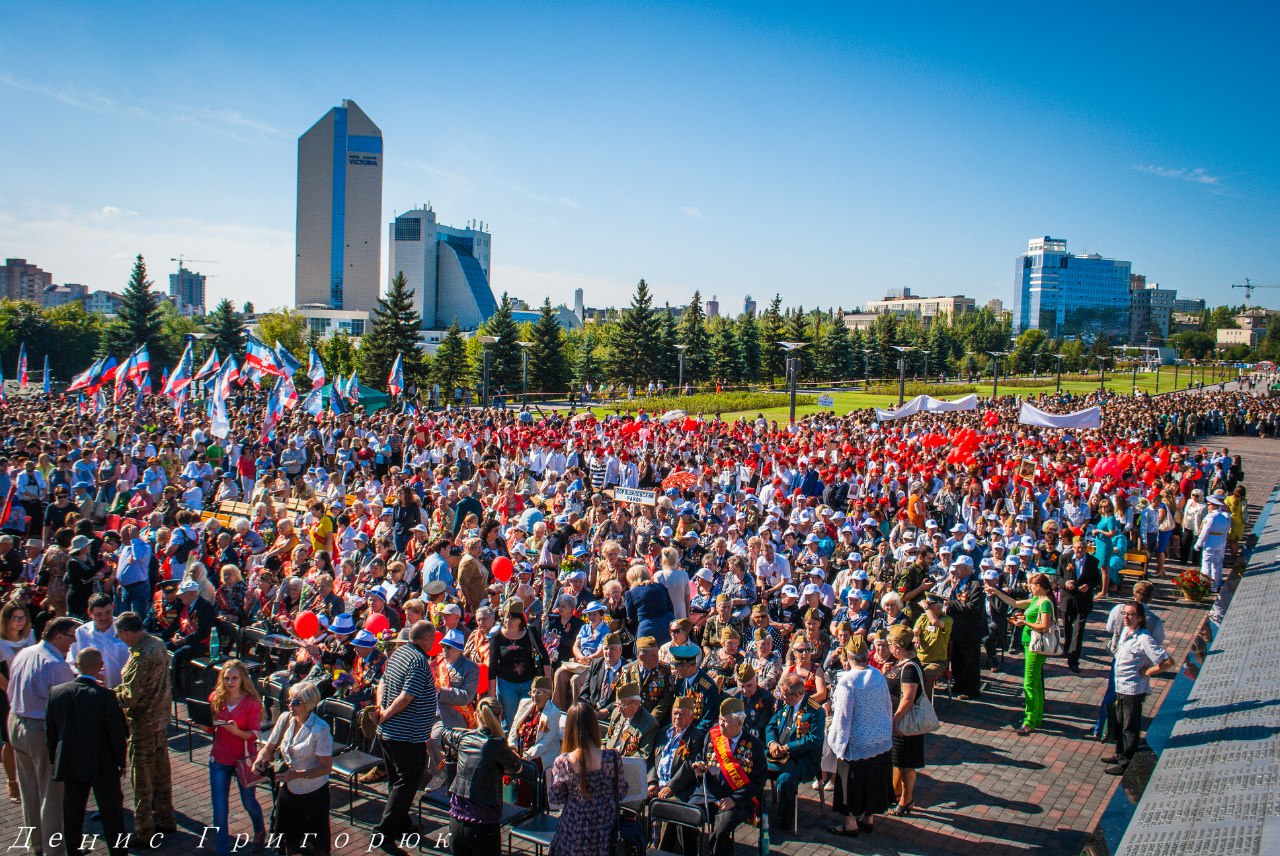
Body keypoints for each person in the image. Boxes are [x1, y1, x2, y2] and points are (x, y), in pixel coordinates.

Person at [45, 647, 129, 856]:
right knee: (111, 814)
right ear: (100, 667)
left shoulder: (57, 692)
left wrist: (54, 759)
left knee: (72, 812)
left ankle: (72, 850)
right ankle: (117, 852)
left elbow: (51, 732)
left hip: (70, 761)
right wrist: (121, 761)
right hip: (102, 763)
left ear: (76, 666)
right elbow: (118, 733)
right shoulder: (105, 696)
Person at [8, 616, 77, 856]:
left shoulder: (25, 652)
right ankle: (54, 850)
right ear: (58, 635)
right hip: (39, 729)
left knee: (28, 787)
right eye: (71, 636)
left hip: (16, 721)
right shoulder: (56, 664)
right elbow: (69, 702)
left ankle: (36, 842)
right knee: (52, 792)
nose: (73, 641)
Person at [667, 697, 767, 856]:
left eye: (725, 722)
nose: (720, 725)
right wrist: (699, 768)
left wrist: (734, 799)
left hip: (736, 797)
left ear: (739, 723)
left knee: (721, 830)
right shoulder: (712, 736)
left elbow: (758, 782)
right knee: (685, 818)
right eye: (720, 720)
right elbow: (701, 757)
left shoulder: (754, 745)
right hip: (708, 791)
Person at [372, 620, 439, 856]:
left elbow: (382, 682)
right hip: (405, 735)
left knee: (396, 781)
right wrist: (385, 714)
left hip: (391, 733)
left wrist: (380, 708)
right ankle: (384, 833)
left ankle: (402, 825)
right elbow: (406, 696)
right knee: (406, 783)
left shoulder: (398, 654)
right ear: (426, 640)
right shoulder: (418, 662)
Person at [114, 610, 176, 839]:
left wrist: (111, 693)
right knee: (162, 774)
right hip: (160, 719)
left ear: (126, 632)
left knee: (142, 779)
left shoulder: (141, 655)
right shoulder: (157, 643)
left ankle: (145, 829)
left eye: (120, 635)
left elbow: (131, 695)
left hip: (143, 723)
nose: (120, 639)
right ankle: (165, 817)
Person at [252, 681, 333, 856]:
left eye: (296, 702)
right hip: (289, 789)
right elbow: (270, 747)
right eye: (289, 701)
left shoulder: (320, 729)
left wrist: (297, 774)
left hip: (313, 794)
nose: (290, 705)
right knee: (283, 841)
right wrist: (260, 758)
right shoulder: (285, 718)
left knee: (314, 847)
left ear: (309, 704)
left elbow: (326, 768)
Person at [436, 697, 524, 856]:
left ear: (476, 716)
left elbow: (444, 734)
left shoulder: (464, 738)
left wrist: (468, 733)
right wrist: (510, 750)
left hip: (456, 821)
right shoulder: (496, 744)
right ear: (499, 718)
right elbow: (517, 768)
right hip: (482, 824)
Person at [825, 643, 894, 838]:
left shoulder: (848, 681)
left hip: (857, 742)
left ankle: (850, 823)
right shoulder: (878, 675)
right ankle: (868, 818)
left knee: (850, 784)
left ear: (849, 656)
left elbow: (843, 716)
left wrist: (836, 741)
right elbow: (887, 705)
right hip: (879, 740)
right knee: (872, 780)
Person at [1101, 602, 1173, 776]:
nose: (1126, 617)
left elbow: (1167, 662)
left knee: (1130, 727)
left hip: (1133, 689)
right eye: (1124, 614)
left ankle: (1127, 762)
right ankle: (1119, 753)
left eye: (1131, 614)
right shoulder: (1127, 632)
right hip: (1121, 685)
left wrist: (1147, 671)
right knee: (1119, 721)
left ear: (1140, 618)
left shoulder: (1144, 638)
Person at [547, 702, 628, 856]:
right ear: (594, 725)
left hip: (573, 829)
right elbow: (620, 792)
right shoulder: (611, 757)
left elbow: (556, 798)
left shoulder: (562, 762)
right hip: (604, 827)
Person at [208, 660, 267, 856]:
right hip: (220, 757)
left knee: (249, 802)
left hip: (244, 758)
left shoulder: (251, 702)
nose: (230, 682)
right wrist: (202, 724)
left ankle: (259, 830)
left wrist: (235, 731)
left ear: (242, 679)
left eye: (234, 678)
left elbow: (254, 735)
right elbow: (210, 727)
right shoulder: (216, 698)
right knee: (220, 811)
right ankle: (222, 852)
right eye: (226, 678)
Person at [985, 573, 1056, 735]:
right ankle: (1036, 716)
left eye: (1031, 584)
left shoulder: (1044, 603)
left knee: (1029, 683)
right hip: (1029, 644)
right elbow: (1014, 602)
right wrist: (996, 592)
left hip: (1035, 647)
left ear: (1038, 586)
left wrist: (1025, 622)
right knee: (1036, 682)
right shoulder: (1036, 600)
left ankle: (1030, 720)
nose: (1029, 587)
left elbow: (1044, 626)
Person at [765, 673, 826, 830]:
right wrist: (772, 743)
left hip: (802, 760)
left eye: (785, 695)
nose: (782, 698)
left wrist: (788, 748)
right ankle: (757, 809)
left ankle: (785, 818)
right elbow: (771, 726)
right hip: (779, 754)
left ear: (798, 695)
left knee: (785, 779)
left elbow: (813, 740)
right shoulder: (784, 703)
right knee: (756, 766)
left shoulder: (815, 711)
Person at [883, 625, 925, 818]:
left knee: (906, 764)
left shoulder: (909, 668)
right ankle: (896, 793)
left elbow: (908, 698)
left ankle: (906, 800)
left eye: (890, 644)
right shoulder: (902, 663)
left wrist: (895, 720)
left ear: (898, 646)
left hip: (904, 724)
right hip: (898, 722)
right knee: (898, 761)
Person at [0, 600, 35, 802]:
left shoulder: (30, 636)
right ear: (6, 620)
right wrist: (12, 692)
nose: (20, 622)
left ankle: (29, 780)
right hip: (7, 695)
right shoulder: (1, 642)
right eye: (15, 618)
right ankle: (12, 782)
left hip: (30, 692)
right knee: (10, 740)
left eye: (23, 617)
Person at [1057, 536, 1102, 674]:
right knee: (1067, 627)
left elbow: (1097, 579)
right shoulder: (1065, 559)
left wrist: (1089, 586)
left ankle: (1074, 659)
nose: (1080, 550)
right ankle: (1067, 648)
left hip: (1083, 600)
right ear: (1073, 547)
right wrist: (1065, 583)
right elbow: (1058, 576)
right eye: (1077, 547)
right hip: (1068, 599)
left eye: (1083, 547)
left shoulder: (1092, 561)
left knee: (1079, 630)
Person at [69, 593, 130, 689]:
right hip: (95, 691)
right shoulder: (81, 633)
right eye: (99, 614)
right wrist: (86, 674)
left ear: (113, 607)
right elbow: (71, 663)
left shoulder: (125, 628)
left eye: (108, 612)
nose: (104, 617)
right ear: (89, 613)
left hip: (125, 690)